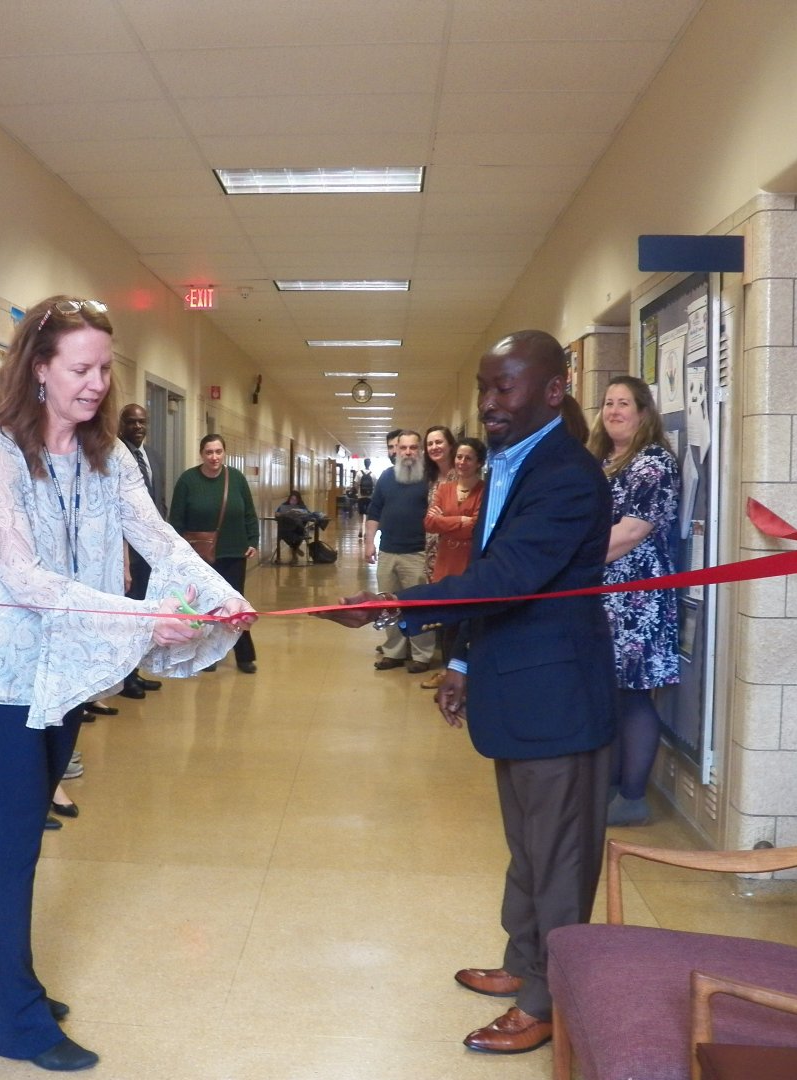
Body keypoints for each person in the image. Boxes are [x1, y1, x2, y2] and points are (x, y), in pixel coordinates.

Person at [0, 296, 255, 1072]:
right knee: (15, 840)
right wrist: (141, 620)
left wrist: (216, 596)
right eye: (81, 368)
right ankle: (16, 1022)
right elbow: (21, 575)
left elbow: (159, 539)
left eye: (105, 369)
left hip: (64, 672)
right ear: (39, 369)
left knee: (16, 837)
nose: (97, 383)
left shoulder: (109, 457)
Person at [320, 329, 614, 1055]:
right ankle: (524, 963)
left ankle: (548, 1001)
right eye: (484, 387)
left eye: (504, 387)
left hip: (558, 701)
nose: (488, 403)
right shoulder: (513, 465)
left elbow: (507, 578)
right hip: (516, 688)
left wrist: (394, 606)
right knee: (527, 847)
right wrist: (463, 664)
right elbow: (497, 582)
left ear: (554, 390)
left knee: (559, 857)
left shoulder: (567, 475)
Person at [587, 375, 680, 827]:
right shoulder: (601, 460)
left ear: (644, 412)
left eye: (624, 403)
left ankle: (633, 796)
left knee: (635, 692)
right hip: (600, 593)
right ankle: (608, 786)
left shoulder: (653, 463)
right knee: (610, 692)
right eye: (608, 403)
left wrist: (567, 559)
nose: (614, 411)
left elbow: (630, 532)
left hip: (637, 596)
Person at [169, 433, 260, 674]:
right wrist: (177, 551)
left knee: (236, 604)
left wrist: (253, 540)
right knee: (206, 604)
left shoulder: (236, 479)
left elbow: (249, 513)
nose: (214, 457)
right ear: (202, 454)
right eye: (209, 452)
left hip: (234, 552)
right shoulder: (188, 480)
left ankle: (244, 655)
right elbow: (175, 519)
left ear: (224, 453)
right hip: (200, 555)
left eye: (218, 452)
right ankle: (208, 655)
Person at [364, 430, 437, 674]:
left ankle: (421, 655)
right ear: (396, 450)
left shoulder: (429, 478)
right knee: (388, 605)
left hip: (417, 553)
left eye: (413, 447)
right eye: (403, 447)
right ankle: (393, 652)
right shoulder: (386, 477)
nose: (407, 452)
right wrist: (369, 543)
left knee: (418, 605)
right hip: (388, 551)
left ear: (420, 451)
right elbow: (374, 511)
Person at [421, 436, 487, 689]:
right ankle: (446, 673)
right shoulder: (444, 489)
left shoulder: (484, 490)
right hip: (445, 563)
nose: (462, 462)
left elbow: (477, 527)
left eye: (468, 458)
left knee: (468, 624)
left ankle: (469, 676)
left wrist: (446, 521)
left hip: (470, 564)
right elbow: (429, 523)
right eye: (459, 457)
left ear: (479, 462)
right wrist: (461, 520)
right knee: (447, 624)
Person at [117, 402, 165, 700]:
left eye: (142, 422)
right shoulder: (114, 454)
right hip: (125, 554)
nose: (137, 426)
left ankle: (136, 670)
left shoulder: (153, 457)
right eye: (131, 422)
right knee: (128, 616)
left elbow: (159, 502)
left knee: (145, 614)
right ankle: (124, 678)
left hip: (149, 552)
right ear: (121, 424)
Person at [274, 489, 324, 562]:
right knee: (285, 533)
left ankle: (294, 550)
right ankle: (295, 549)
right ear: (289, 499)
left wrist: (302, 514)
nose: (293, 501)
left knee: (300, 534)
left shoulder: (302, 506)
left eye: (295, 500)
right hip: (286, 529)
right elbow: (276, 513)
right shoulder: (284, 506)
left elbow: (309, 514)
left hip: (298, 529)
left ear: (298, 500)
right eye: (292, 499)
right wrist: (280, 514)